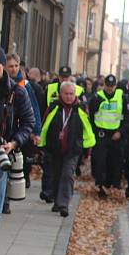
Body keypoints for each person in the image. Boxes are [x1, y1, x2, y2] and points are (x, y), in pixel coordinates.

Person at [38, 82, 94, 216]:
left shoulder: (80, 109)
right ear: (60, 94)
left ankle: (64, 205)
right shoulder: (53, 107)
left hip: (73, 150)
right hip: (55, 149)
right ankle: (57, 202)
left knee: (68, 175)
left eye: (71, 94)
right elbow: (44, 127)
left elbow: (88, 130)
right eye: (66, 94)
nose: (69, 97)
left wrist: (87, 152)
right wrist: (41, 146)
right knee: (57, 176)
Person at [2, 54, 41, 213]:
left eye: (16, 66)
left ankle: (6, 201)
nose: (13, 69)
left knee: (11, 168)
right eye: (10, 66)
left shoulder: (23, 87)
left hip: (15, 137)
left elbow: (33, 110)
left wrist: (35, 131)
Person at [89, 74, 125, 197]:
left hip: (115, 135)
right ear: (103, 85)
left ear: (116, 85)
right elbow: (91, 117)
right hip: (101, 135)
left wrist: (120, 131)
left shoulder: (121, 97)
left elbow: (126, 117)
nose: (110, 88)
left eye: (112, 86)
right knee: (100, 162)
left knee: (113, 161)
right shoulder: (97, 98)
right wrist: (93, 133)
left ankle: (110, 184)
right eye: (108, 86)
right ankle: (100, 186)